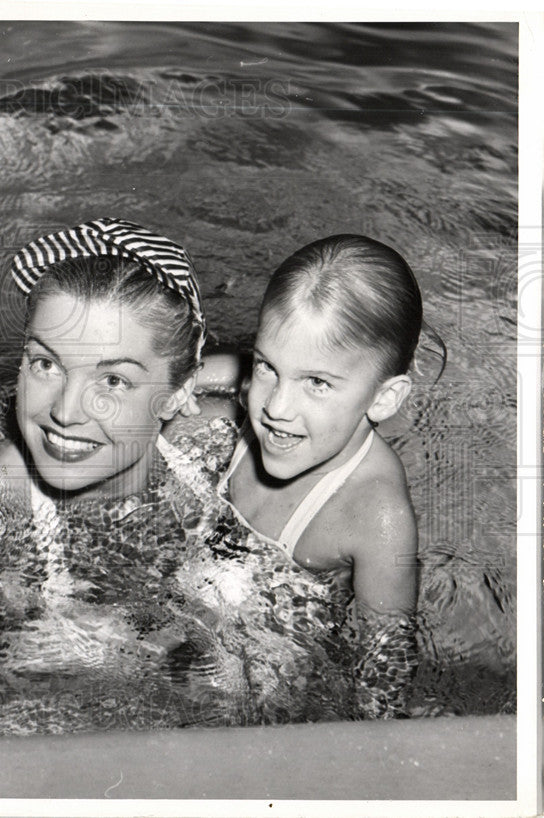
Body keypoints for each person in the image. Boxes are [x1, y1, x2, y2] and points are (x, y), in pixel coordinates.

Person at [0, 219, 343, 736]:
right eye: (45, 363)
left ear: (178, 393)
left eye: (112, 379)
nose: (65, 410)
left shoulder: (219, 439)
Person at [211, 234, 427, 717]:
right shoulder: (262, 402)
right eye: (268, 367)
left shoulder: (375, 515)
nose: (275, 408)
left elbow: (384, 667)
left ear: (384, 398)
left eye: (317, 383)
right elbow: (184, 372)